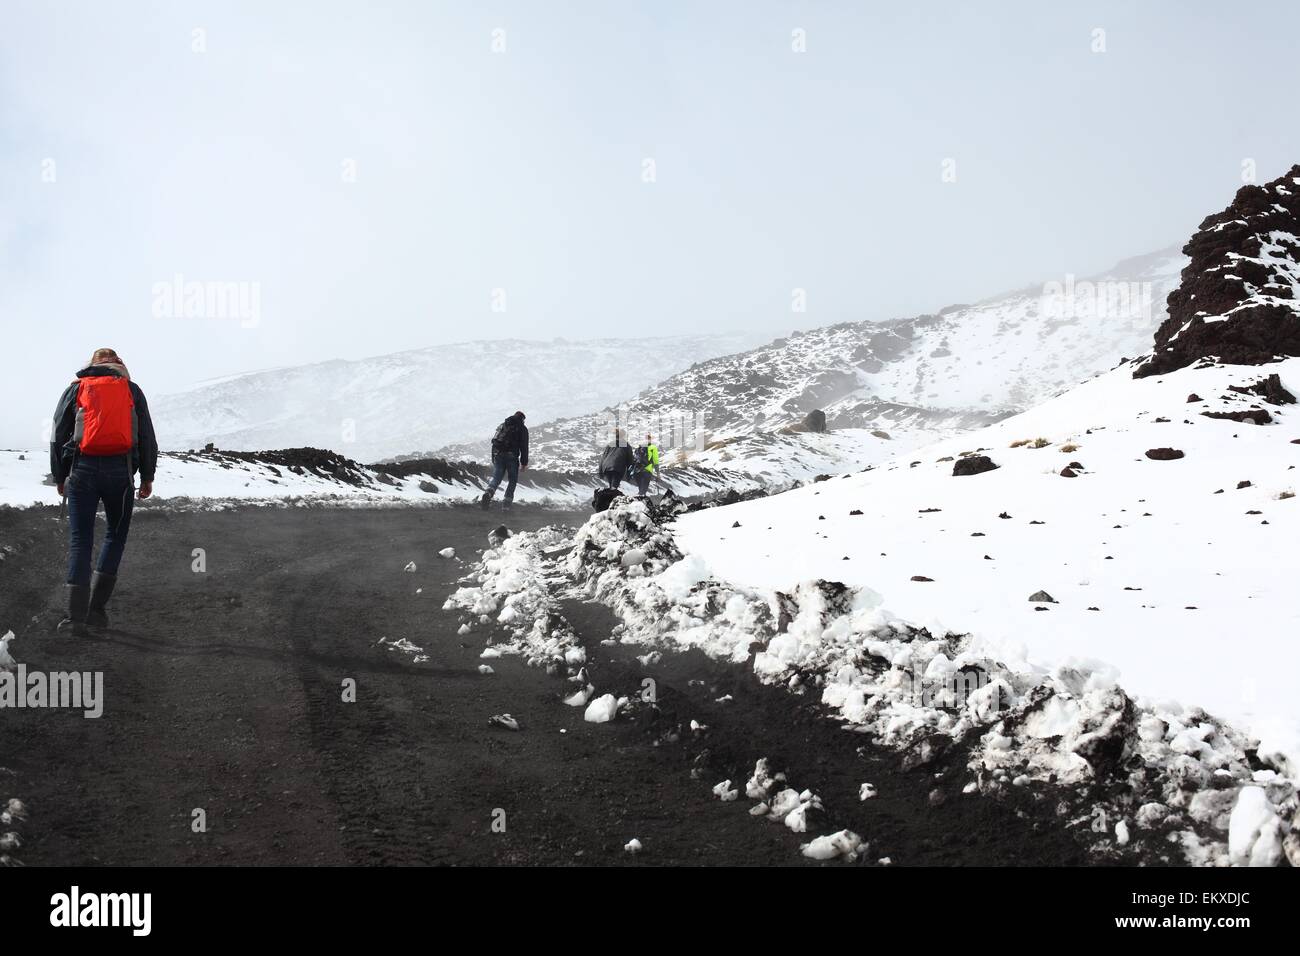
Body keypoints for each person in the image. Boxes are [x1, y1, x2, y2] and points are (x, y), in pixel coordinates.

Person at [49, 348, 158, 636]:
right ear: (119, 366)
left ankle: (74, 619)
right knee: (115, 535)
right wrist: (147, 476)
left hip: (81, 471)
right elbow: (146, 435)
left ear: (92, 365)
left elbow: (58, 433)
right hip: (120, 473)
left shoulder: (76, 389)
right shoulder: (131, 390)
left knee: (80, 540)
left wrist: (60, 475)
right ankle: (96, 611)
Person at [480, 410, 528, 510]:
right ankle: (506, 505)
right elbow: (524, 447)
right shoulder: (522, 429)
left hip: (498, 454)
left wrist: (494, 457)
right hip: (512, 457)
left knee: (496, 478)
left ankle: (488, 492)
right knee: (512, 481)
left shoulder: (503, 425)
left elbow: (494, 442)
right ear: (522, 419)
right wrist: (524, 463)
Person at [631, 432, 660, 498]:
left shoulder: (638, 447)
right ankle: (640, 505)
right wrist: (658, 473)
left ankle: (637, 504)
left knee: (640, 490)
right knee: (643, 491)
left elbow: (634, 459)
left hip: (637, 471)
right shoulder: (653, 447)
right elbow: (655, 461)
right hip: (646, 471)